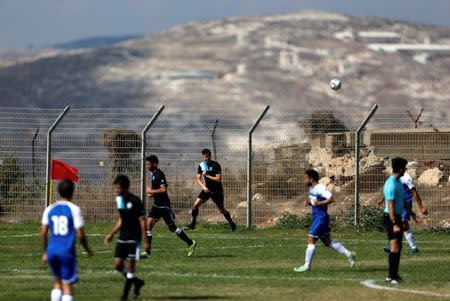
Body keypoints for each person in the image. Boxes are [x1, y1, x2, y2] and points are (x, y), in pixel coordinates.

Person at [41, 179, 93, 301]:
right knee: (67, 285)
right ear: (72, 192)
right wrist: (87, 249)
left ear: (58, 191)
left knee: (57, 283)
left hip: (52, 251)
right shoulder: (74, 209)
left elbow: (43, 232)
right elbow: (80, 234)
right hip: (67, 252)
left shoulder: (49, 208)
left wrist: (45, 252)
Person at [294, 170, 356, 273]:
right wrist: (310, 203)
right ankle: (349, 254)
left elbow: (331, 199)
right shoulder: (312, 189)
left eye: (306, 177)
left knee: (310, 240)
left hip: (320, 218)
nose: (304, 180)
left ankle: (306, 266)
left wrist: (319, 203)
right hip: (318, 218)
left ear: (311, 178)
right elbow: (316, 202)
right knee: (327, 242)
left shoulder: (320, 188)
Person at [141, 155, 197, 258]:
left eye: (149, 164)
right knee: (147, 227)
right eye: (146, 164)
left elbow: (164, 190)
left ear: (155, 164)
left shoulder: (159, 174)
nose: (147, 166)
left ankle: (190, 242)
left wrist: (150, 191)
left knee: (173, 228)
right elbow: (159, 191)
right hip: (156, 206)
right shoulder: (153, 174)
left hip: (164, 207)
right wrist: (152, 194)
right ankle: (147, 252)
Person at [104, 175, 148, 301]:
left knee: (130, 268)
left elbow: (142, 221)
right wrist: (111, 234)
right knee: (118, 264)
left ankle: (124, 296)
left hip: (134, 238)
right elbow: (121, 219)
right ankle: (137, 282)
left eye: (117, 188)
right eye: (115, 188)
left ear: (125, 188)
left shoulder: (135, 201)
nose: (116, 190)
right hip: (122, 236)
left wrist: (145, 240)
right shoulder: (119, 200)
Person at [184, 148, 236, 232]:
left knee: (221, 210)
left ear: (210, 156)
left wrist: (207, 175)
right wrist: (204, 187)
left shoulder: (216, 165)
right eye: (203, 157)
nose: (205, 158)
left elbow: (218, 179)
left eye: (206, 157)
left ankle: (232, 223)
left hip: (217, 191)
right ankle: (192, 224)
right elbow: (198, 178)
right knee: (195, 205)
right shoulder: (201, 165)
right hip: (207, 189)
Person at [379, 170, 428, 254]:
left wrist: (421, 207)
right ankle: (413, 248)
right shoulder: (393, 177)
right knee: (402, 226)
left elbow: (414, 192)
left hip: (406, 204)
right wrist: (382, 199)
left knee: (403, 224)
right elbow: (389, 189)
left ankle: (398, 247)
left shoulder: (407, 177)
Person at [383, 157, 412, 284]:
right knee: (394, 247)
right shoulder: (391, 184)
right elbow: (390, 206)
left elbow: (402, 200)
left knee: (398, 247)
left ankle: (393, 275)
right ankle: (392, 276)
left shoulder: (399, 182)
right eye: (405, 168)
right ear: (400, 169)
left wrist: (412, 212)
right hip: (390, 218)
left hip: (398, 217)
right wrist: (394, 223)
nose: (405, 170)